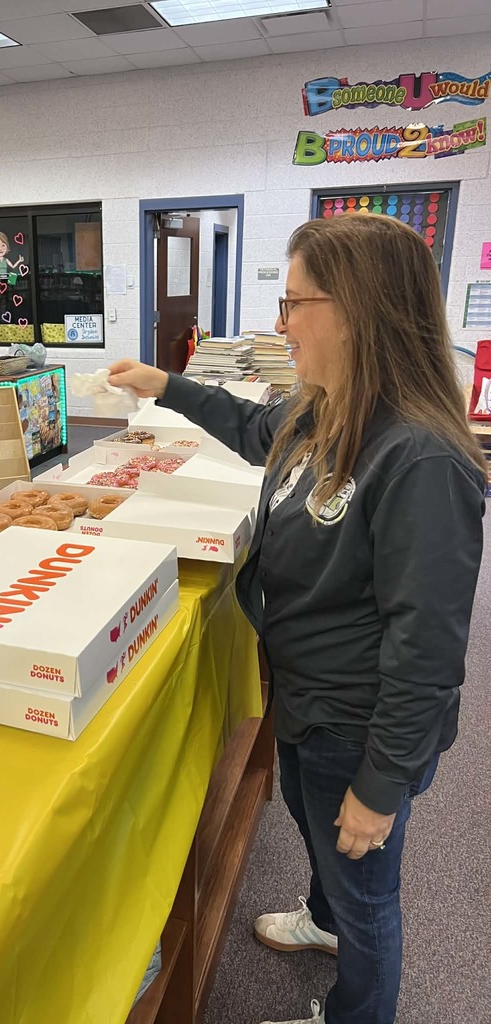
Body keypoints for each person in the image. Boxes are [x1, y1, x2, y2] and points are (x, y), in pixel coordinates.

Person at [108, 213, 486, 1024]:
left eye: (293, 303)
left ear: (357, 311)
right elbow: (254, 429)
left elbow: (427, 654)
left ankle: (356, 1007)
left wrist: (379, 789)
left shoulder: (418, 457)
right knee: (326, 842)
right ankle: (321, 918)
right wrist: (164, 386)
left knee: (367, 887)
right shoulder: (328, 410)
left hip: (359, 720)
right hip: (312, 701)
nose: (279, 325)